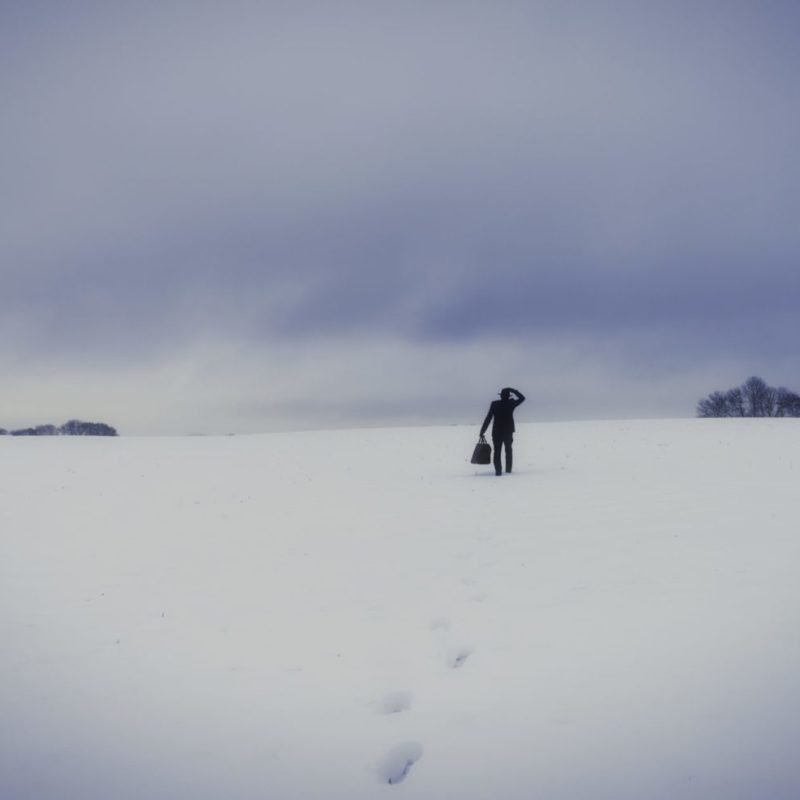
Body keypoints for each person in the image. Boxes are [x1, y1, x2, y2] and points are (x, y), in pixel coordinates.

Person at [480, 387, 526, 476]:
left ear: (501, 396)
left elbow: (488, 418)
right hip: (508, 432)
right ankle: (508, 471)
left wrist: (482, 431)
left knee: (497, 452)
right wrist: (513, 390)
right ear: (509, 396)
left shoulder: (494, 404)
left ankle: (498, 472)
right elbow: (522, 398)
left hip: (497, 432)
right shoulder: (511, 403)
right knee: (508, 451)